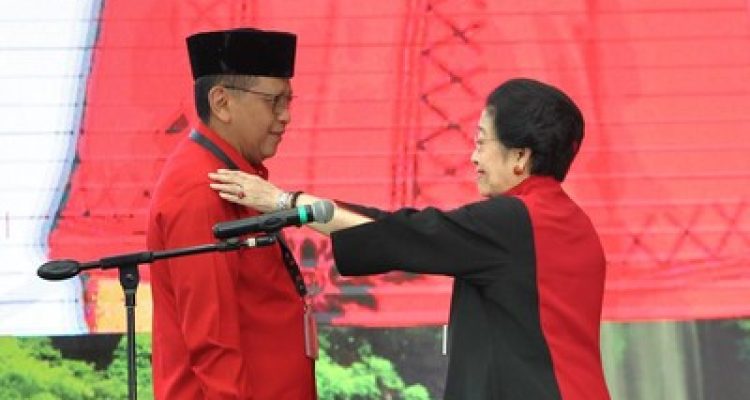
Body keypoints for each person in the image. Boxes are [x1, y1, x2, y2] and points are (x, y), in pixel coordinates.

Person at [209, 78, 611, 399]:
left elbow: (399, 234)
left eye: (481, 142)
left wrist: (284, 203)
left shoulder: (512, 221)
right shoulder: (576, 225)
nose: (473, 158)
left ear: (521, 156)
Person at [147, 28, 316, 399]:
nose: (286, 116)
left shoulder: (232, 175)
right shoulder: (201, 190)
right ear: (222, 102)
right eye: (274, 102)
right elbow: (213, 342)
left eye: (289, 101)